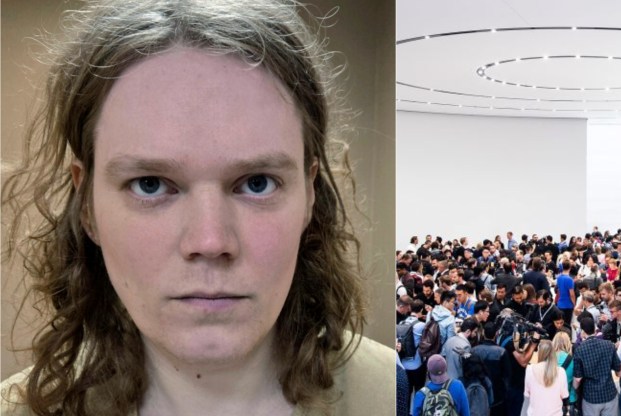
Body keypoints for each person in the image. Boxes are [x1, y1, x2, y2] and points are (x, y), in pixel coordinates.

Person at [0, 1, 393, 415]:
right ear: (87, 207)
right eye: (150, 185)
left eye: (257, 183)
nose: (210, 241)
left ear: (309, 195)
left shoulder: (391, 396)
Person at [573, 317, 621, 415]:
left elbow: (577, 379)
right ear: (595, 330)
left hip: (591, 396)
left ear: (583, 331)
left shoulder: (580, 350)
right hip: (609, 393)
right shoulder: (609, 345)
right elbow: (618, 368)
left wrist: (574, 388)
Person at [523, 340, 569, 416]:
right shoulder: (561, 372)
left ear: (539, 353)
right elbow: (565, 396)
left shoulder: (530, 369)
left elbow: (527, 394)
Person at [552, 332, 576, 415]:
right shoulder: (572, 360)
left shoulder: (547, 358)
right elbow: (575, 381)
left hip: (550, 400)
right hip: (567, 400)